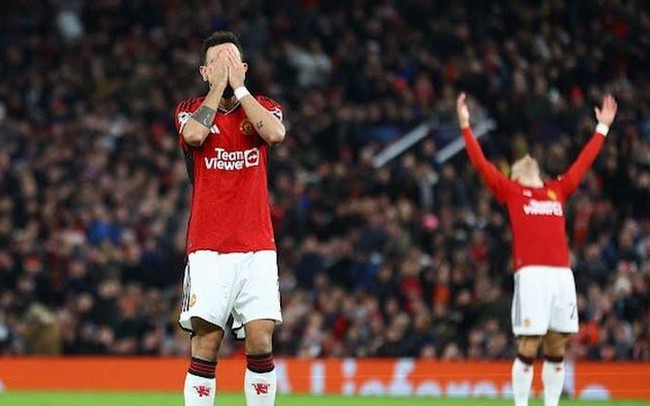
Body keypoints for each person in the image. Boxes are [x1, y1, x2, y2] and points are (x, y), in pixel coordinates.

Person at [456, 92, 617, 406]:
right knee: (529, 344)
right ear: (515, 175)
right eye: (521, 163)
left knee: (557, 346)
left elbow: (583, 163)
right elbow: (480, 163)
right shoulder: (512, 191)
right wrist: (465, 125)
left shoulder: (557, 189)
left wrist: (602, 128)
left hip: (561, 275)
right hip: (531, 275)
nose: (527, 158)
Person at [173, 31, 286, 406]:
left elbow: (275, 133)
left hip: (257, 245)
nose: (225, 67)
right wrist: (219, 86)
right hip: (208, 246)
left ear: (245, 68)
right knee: (206, 340)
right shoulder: (189, 109)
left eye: (232, 60)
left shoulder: (264, 107)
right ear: (204, 72)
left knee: (261, 337)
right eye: (217, 63)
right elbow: (194, 136)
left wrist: (238, 88)